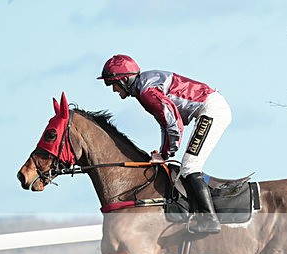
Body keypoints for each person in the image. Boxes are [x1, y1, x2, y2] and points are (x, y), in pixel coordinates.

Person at [98, 54, 231, 234]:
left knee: (190, 167)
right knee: (188, 166)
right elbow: (166, 122)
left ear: (125, 80)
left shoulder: (146, 92)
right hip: (209, 108)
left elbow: (173, 123)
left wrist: (166, 154)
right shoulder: (142, 87)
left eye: (112, 83)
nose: (113, 89)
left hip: (212, 110)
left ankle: (210, 219)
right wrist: (164, 152)